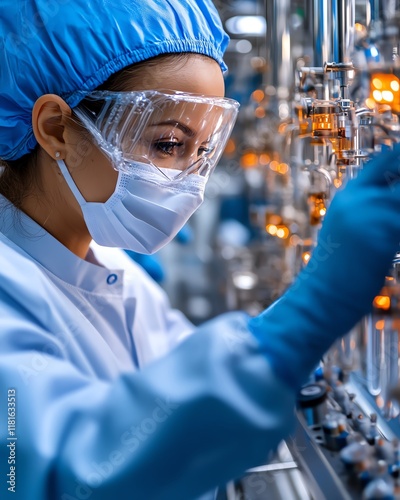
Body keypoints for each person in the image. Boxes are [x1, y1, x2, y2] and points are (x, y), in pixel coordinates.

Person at [0, 1, 400, 499]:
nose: (191, 184)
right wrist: (301, 322)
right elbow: (55, 472)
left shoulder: (110, 263)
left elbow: (172, 389)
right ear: (57, 128)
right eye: (167, 144)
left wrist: (277, 345)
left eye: (203, 150)